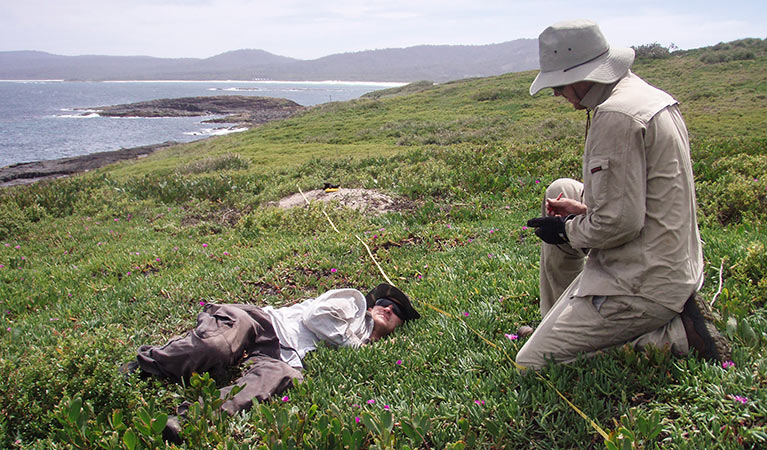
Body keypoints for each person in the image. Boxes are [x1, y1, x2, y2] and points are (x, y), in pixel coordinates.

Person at [518, 19, 730, 370]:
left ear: (584, 75)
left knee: (534, 363)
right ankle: (554, 321)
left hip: (644, 282)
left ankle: (675, 335)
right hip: (671, 258)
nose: (557, 94)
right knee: (563, 189)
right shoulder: (644, 95)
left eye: (560, 84)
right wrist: (580, 213)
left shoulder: (616, 115)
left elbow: (619, 224)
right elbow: (633, 202)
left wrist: (567, 229)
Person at [121, 283, 420, 441]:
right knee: (217, 346)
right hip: (260, 321)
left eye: (397, 311)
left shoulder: (365, 339)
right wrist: (359, 344)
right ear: (372, 304)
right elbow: (314, 318)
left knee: (283, 376)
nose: (388, 309)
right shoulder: (353, 303)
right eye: (383, 303)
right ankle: (149, 363)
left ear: (398, 326)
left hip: (282, 354)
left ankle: (186, 421)